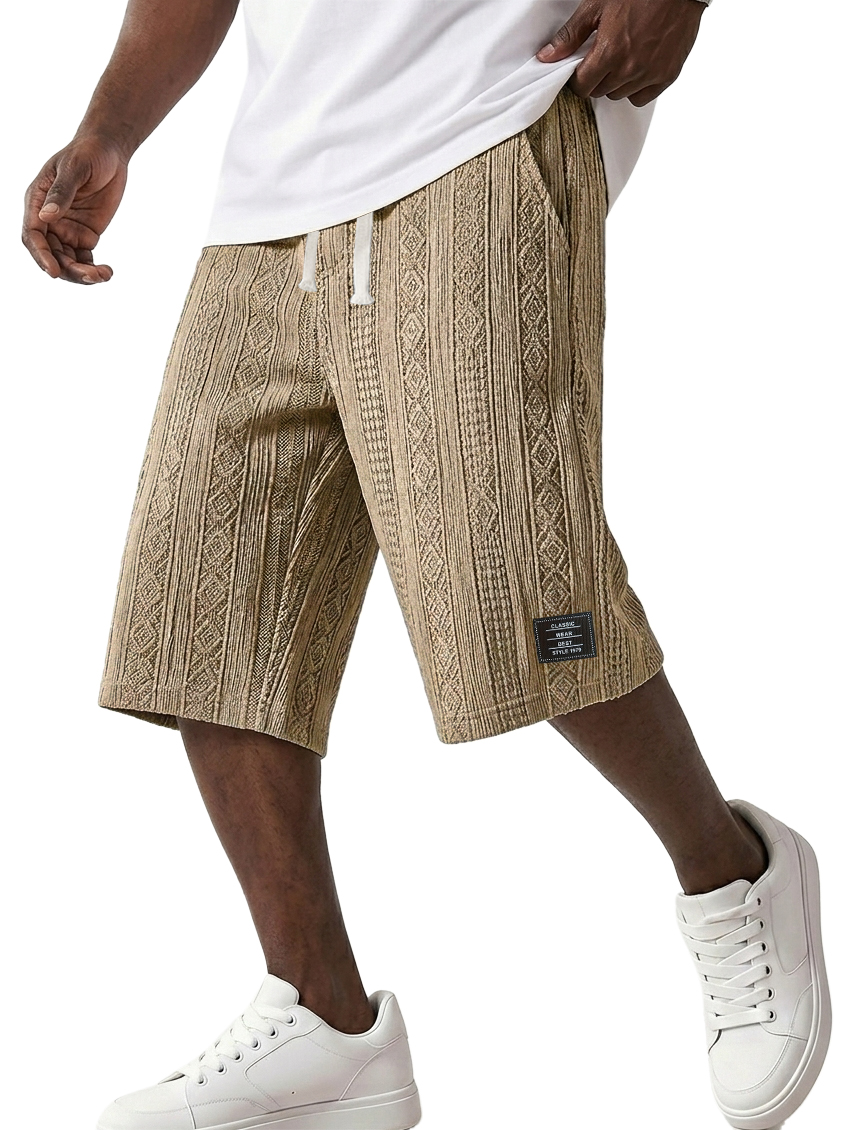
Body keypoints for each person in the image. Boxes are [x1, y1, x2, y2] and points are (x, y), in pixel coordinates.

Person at [22, 2, 831, 1128]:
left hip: (480, 122)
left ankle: (732, 873)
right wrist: (108, 130)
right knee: (206, 616)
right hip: (272, 187)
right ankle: (324, 1019)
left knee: (516, 586)